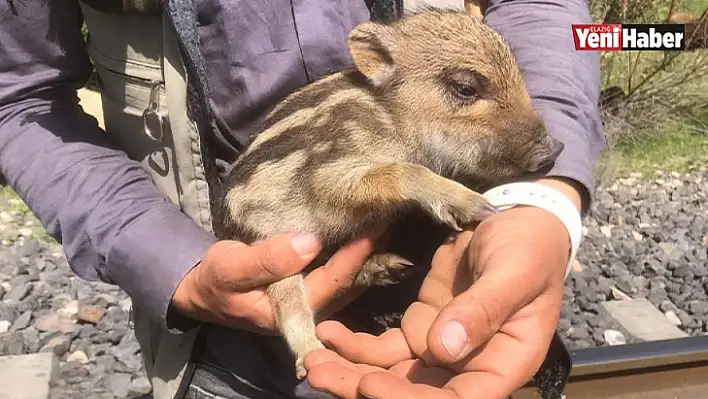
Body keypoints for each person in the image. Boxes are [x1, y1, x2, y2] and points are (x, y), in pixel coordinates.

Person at [0, 1, 605, 398]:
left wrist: (542, 197)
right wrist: (173, 265)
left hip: (449, 291)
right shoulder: (370, 115)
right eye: (466, 91)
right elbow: (17, 96)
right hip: (225, 341)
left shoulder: (398, 93)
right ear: (376, 62)